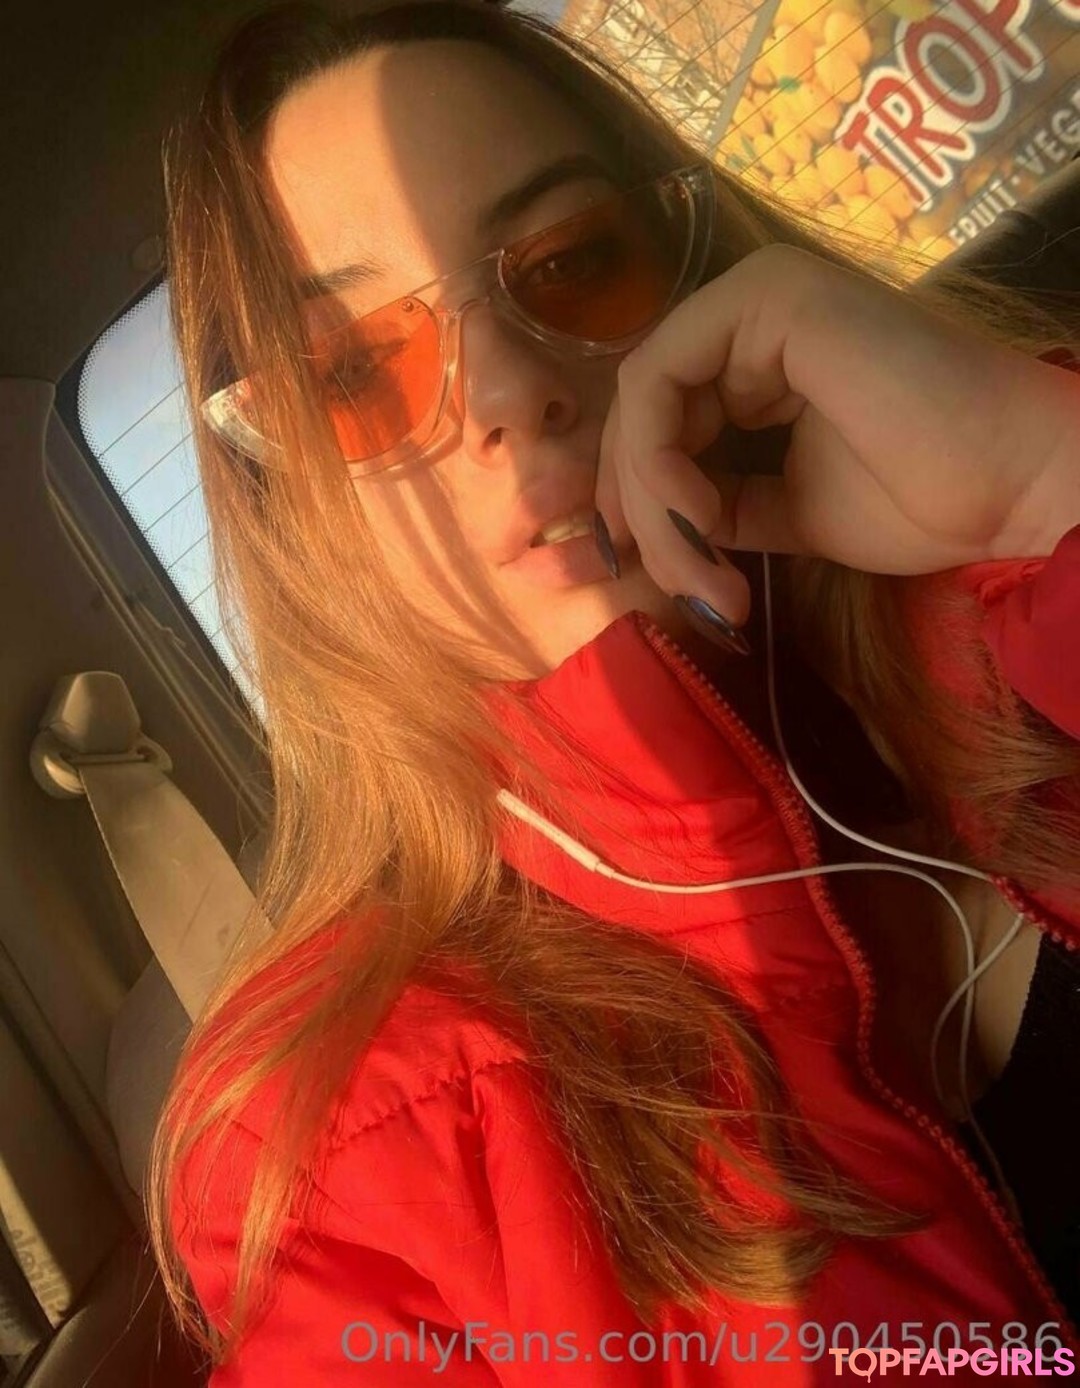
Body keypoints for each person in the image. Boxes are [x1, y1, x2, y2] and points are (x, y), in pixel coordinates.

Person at [147, 1, 1080, 1381]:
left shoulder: (1027, 590)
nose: (509, 393)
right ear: (289, 513)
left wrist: (1043, 482)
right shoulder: (333, 1151)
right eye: (355, 371)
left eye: (573, 262)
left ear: (698, 272)